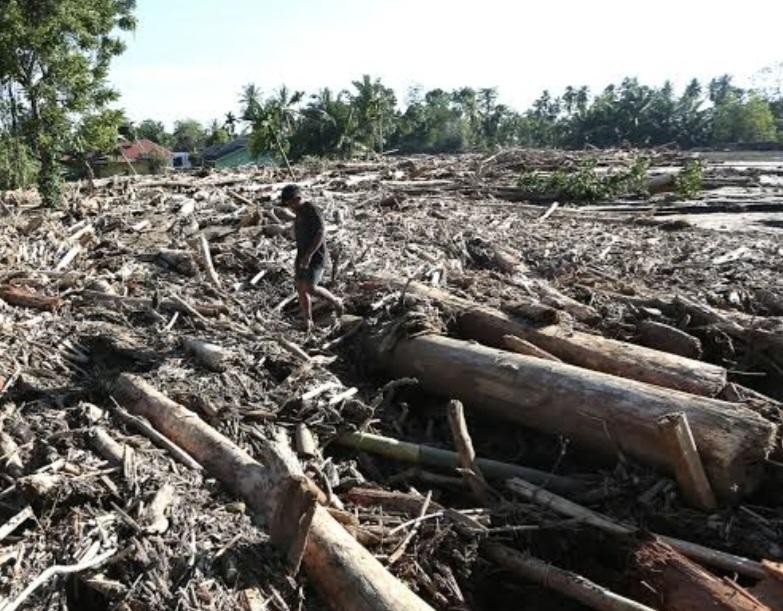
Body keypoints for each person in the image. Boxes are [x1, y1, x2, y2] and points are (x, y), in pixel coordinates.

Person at [281, 184, 343, 332]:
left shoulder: (312, 209)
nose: (290, 207)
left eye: (290, 204)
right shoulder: (299, 212)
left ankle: (335, 301)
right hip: (301, 254)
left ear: (297, 199)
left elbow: (321, 232)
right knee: (300, 287)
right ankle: (308, 320)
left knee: (310, 287)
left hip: (316, 256)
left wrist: (309, 255)